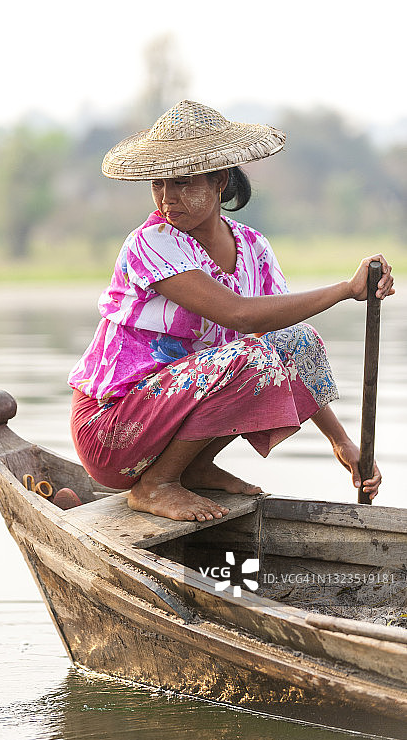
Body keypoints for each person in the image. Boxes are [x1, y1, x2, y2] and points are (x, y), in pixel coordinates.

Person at [68, 100, 394, 522]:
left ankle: (193, 466)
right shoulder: (152, 242)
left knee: (295, 340)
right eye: (158, 184)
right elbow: (239, 316)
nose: (167, 198)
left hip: (167, 424)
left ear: (219, 179)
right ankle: (155, 485)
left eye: (183, 182)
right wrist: (347, 290)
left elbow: (286, 344)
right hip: (112, 429)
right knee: (251, 356)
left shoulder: (254, 248)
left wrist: (344, 444)